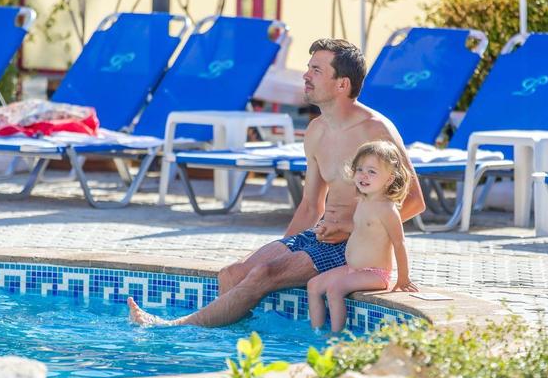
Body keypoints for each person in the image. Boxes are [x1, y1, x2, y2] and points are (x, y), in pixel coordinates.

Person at [128, 38, 425, 327]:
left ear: (342, 84)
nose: (306, 76)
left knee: (262, 274)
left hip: (348, 246)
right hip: (317, 235)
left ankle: (174, 327)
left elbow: (413, 201)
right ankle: (230, 345)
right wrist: (287, 248)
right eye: (308, 68)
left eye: (316, 71)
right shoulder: (316, 130)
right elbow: (311, 206)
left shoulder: (375, 129)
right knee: (232, 274)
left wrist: (352, 229)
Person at [308, 140, 414, 333]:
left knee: (334, 290)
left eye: (372, 171)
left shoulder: (387, 209)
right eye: (359, 169)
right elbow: (359, 228)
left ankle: (335, 336)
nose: (363, 175)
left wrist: (403, 278)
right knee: (314, 285)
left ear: (389, 179)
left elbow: (399, 243)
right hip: (353, 269)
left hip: (375, 273)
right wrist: (332, 226)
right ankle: (316, 332)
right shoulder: (363, 201)